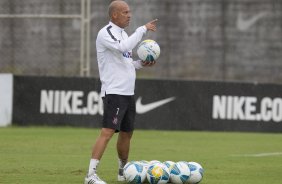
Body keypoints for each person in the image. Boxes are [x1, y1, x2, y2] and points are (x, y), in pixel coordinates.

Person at [84, 0, 158, 184]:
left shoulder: (123, 34)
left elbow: (126, 62)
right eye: (125, 12)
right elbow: (124, 48)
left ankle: (122, 171)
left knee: (126, 133)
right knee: (108, 132)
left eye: (129, 11)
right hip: (114, 91)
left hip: (127, 92)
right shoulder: (106, 33)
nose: (129, 15)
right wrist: (143, 29)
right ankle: (90, 175)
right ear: (114, 15)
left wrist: (140, 64)